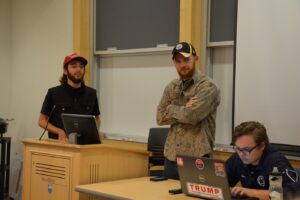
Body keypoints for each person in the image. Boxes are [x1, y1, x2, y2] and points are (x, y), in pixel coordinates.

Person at [156, 42, 220, 179]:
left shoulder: (208, 86)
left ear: (196, 59)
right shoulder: (171, 87)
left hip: (197, 157)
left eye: (186, 59)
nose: (182, 65)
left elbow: (192, 116)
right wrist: (184, 108)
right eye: (178, 61)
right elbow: (160, 118)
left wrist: (171, 108)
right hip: (171, 157)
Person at [226, 121, 300, 199]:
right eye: (237, 148)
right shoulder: (237, 158)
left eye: (246, 149)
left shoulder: (274, 163)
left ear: (262, 146)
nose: (241, 154)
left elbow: (291, 194)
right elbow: (221, 183)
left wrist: (251, 192)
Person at [38, 53, 101, 142]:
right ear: (65, 71)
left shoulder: (91, 93)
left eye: (81, 67)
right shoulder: (53, 93)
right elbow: (41, 121)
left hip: (84, 146)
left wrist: (93, 132)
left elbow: (97, 119)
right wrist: (60, 131)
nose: (78, 69)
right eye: (74, 66)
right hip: (59, 145)